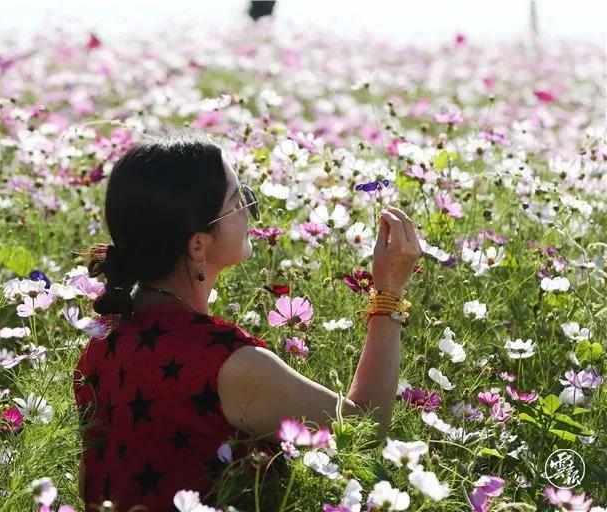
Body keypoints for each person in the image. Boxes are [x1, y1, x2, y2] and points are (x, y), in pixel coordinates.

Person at [73, 132, 422, 511]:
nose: (251, 211)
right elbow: (363, 431)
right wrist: (388, 292)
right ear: (197, 246)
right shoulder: (226, 363)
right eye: (239, 201)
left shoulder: (101, 342)